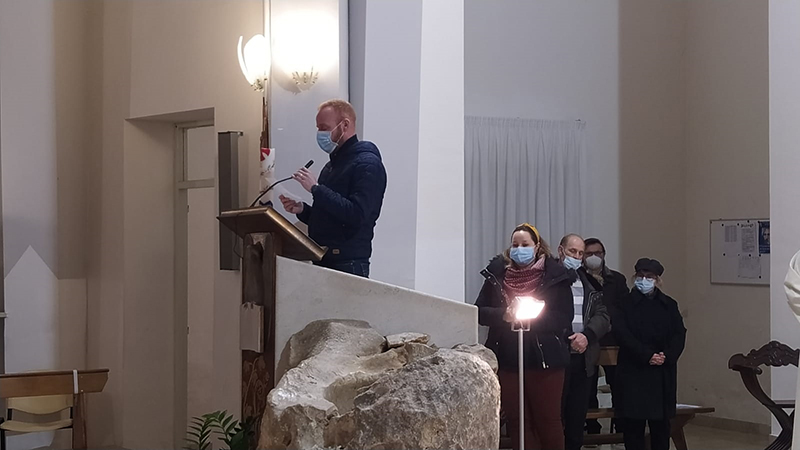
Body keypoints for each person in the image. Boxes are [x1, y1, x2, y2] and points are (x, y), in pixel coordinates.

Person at [475, 223, 573, 450]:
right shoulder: (496, 275)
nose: (519, 249)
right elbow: (479, 311)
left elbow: (563, 317)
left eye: (525, 245)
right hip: (507, 356)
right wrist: (504, 315)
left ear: (537, 247)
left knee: (547, 419)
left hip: (545, 358)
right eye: (515, 245)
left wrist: (534, 316)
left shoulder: (556, 276)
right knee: (518, 420)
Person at [280, 99, 387, 277]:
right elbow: (330, 218)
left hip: (348, 261)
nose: (320, 133)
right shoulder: (331, 166)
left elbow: (356, 215)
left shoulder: (368, 164)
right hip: (322, 256)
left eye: (324, 127)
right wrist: (302, 210)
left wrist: (316, 189)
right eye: (318, 128)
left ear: (344, 125)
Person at [614, 258, 686, 450]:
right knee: (633, 428)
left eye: (650, 277)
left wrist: (666, 355)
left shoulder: (669, 304)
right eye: (641, 276)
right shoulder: (624, 304)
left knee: (661, 428)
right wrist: (647, 355)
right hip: (633, 371)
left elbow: (679, 334)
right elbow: (622, 334)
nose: (644, 280)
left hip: (662, 373)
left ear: (657, 280)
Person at [557, 234, 610, 450]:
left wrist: (586, 335)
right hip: (556, 356)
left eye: (580, 253)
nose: (577, 257)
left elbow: (603, 316)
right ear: (561, 251)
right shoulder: (549, 280)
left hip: (583, 358)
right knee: (554, 416)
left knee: (576, 418)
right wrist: (567, 336)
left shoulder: (589, 282)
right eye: (573, 251)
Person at [582, 237, 629, 435]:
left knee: (618, 384)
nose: (594, 257)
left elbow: (624, 308)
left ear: (604, 255)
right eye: (589, 253)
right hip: (587, 339)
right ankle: (592, 427)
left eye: (598, 253)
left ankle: (621, 427)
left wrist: (610, 324)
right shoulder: (578, 278)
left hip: (612, 340)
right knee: (587, 386)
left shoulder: (616, 280)